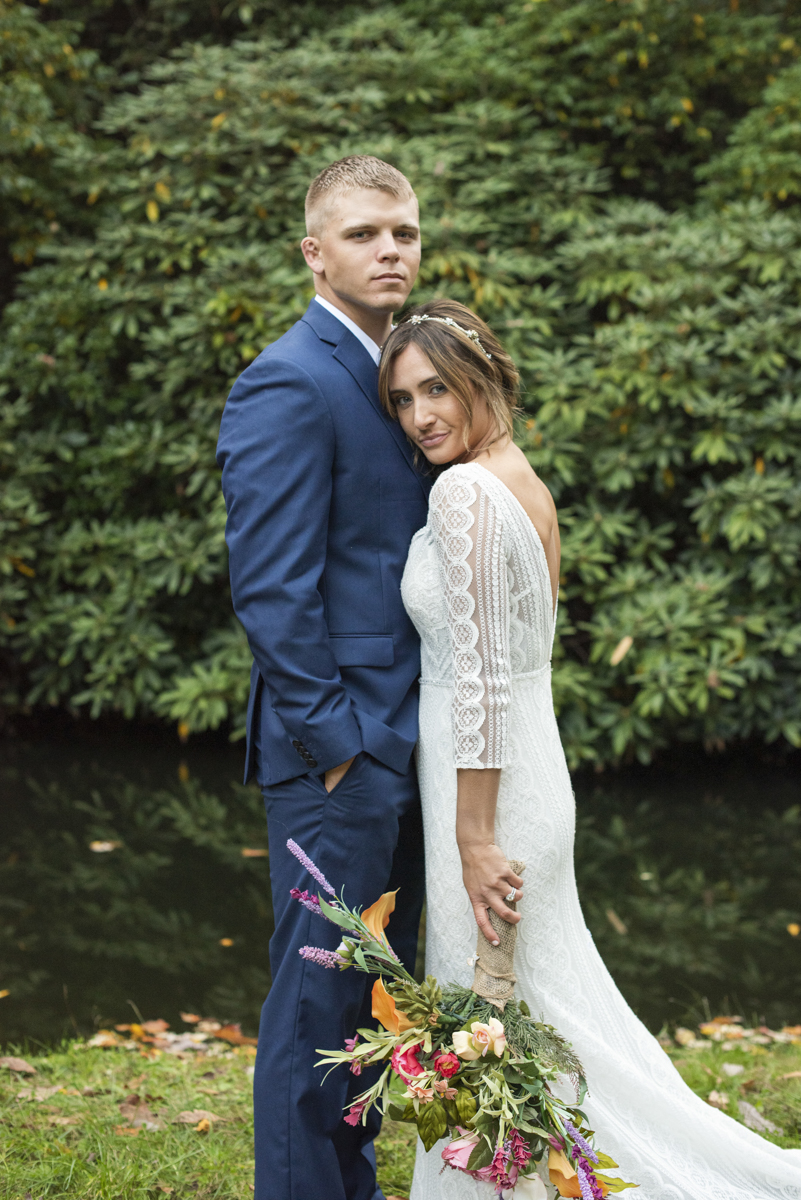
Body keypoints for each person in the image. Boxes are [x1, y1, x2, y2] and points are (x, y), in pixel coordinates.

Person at [379, 298, 801, 1200]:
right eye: (404, 401)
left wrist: (472, 835)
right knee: (545, 1015)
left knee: (486, 1010)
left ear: (483, 376)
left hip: (487, 792)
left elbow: (486, 677)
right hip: (531, 769)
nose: (422, 417)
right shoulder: (519, 478)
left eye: (437, 389)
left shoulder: (460, 493)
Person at [217, 156, 429, 1200]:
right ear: (315, 252)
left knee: (373, 1006)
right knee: (314, 1011)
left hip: (415, 741)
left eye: (405, 233)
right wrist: (338, 750)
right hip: (338, 753)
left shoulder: (403, 374)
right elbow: (271, 589)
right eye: (364, 234)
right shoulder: (287, 379)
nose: (390, 250)